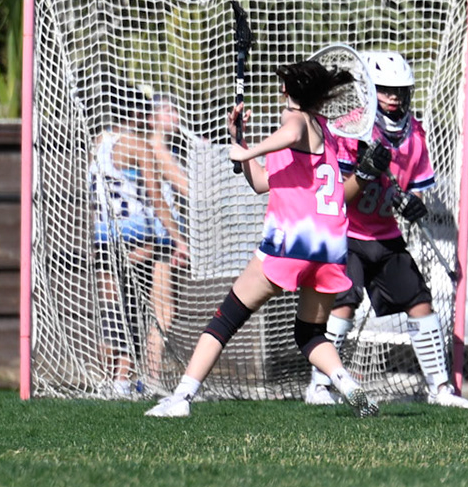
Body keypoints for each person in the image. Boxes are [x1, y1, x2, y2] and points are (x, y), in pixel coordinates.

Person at [146, 60, 376, 418]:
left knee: (225, 319)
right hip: (329, 248)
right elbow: (260, 182)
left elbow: (291, 130)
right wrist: (239, 139)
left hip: (290, 244)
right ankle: (350, 388)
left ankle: (181, 398)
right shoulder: (323, 131)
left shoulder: (296, 120)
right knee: (310, 333)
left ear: (287, 90)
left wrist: (247, 151)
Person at [306, 51, 468, 410]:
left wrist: (414, 203)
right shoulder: (350, 129)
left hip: (385, 235)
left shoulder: (414, 133)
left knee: (419, 303)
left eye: (400, 91)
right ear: (370, 91)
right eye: (385, 90)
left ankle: (440, 389)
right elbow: (338, 197)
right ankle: (320, 385)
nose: (394, 98)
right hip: (347, 234)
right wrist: (365, 173)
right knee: (344, 303)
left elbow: (416, 188)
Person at [90, 85, 189, 397]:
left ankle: (117, 381)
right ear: (136, 113)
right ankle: (136, 378)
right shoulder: (139, 147)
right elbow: (157, 199)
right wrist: (179, 239)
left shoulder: (99, 142)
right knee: (141, 309)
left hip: (102, 236)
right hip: (135, 237)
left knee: (113, 311)